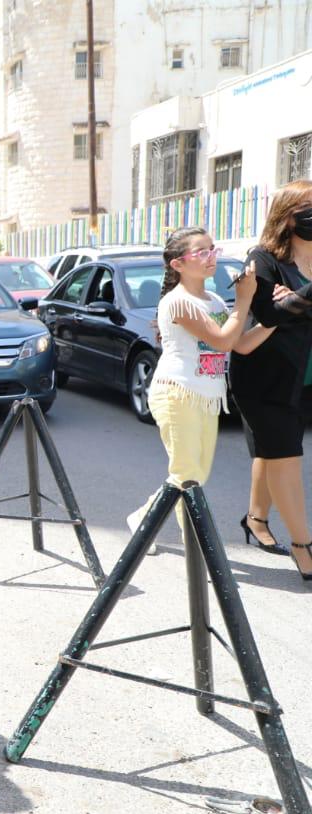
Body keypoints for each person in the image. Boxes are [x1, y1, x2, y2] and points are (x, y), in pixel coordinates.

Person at [126, 227, 269, 551]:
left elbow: (240, 344)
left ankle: (143, 519)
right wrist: (243, 299)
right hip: (177, 393)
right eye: (201, 252)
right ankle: (198, 549)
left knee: (193, 475)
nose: (211, 257)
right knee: (187, 476)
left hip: (206, 397)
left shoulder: (214, 300)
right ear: (178, 264)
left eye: (212, 249)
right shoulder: (177, 302)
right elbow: (222, 340)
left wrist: (278, 317)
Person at [230, 180, 312, 579]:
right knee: (286, 457)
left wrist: (294, 301)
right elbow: (267, 315)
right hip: (263, 377)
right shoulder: (263, 259)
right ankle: (304, 547)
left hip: (302, 376)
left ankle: (256, 519)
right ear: (287, 215)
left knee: (272, 451)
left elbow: (288, 311)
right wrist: (296, 302)